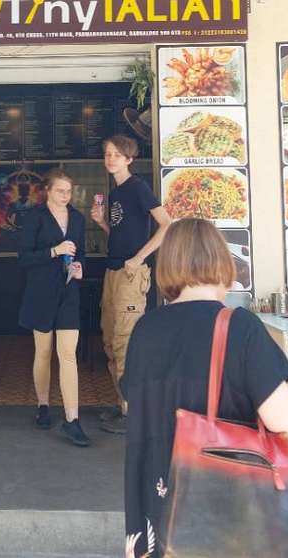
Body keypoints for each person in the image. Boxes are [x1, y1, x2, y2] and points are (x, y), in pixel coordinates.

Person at [122, 219, 288, 556]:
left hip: (157, 517)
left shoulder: (144, 330)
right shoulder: (240, 327)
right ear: (222, 264)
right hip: (230, 523)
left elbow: (135, 404)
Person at [90, 135, 171, 434]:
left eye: (116, 154)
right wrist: (102, 223)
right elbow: (121, 234)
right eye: (107, 154)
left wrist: (139, 258)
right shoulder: (115, 193)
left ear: (129, 159)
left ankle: (133, 412)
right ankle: (123, 403)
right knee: (110, 341)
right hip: (113, 272)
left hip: (131, 275)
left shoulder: (138, 187)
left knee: (125, 342)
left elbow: (167, 224)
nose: (110, 159)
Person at [17, 169, 89, 447]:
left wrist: (80, 266)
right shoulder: (34, 217)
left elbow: (81, 252)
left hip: (69, 292)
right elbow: (23, 258)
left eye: (68, 191)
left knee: (68, 354)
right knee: (44, 352)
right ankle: (43, 405)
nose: (65, 196)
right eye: (60, 190)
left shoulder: (78, 219)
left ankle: (72, 419)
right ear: (47, 190)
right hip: (41, 293)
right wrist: (53, 251)